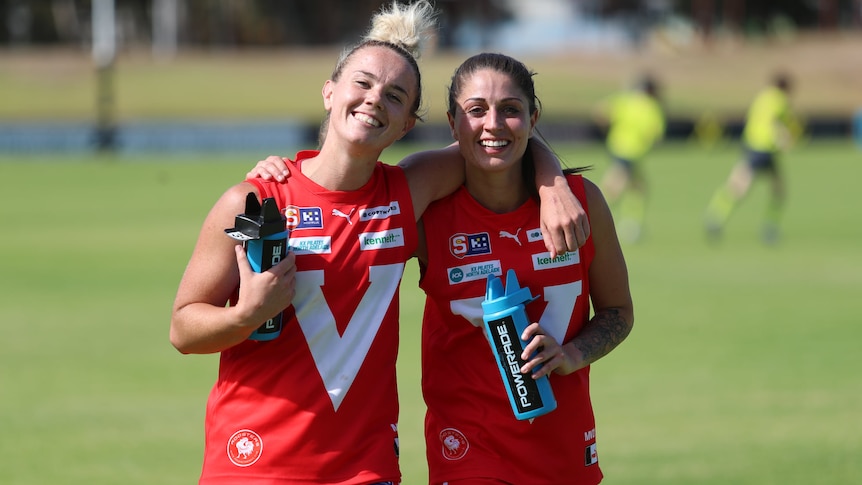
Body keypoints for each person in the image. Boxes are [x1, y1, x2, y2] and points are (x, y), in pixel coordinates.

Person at [172, 2, 588, 484]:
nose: (374, 100)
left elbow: (494, 136)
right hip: (253, 461)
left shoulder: (409, 190)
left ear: (408, 124)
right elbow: (183, 329)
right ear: (330, 91)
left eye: (395, 96)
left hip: (365, 468)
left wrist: (552, 181)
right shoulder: (255, 199)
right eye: (363, 83)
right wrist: (245, 315)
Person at [416, 52, 633, 485]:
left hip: (563, 449)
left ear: (533, 118)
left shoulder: (580, 203)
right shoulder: (428, 217)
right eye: (476, 110)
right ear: (452, 122)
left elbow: (618, 312)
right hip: (468, 450)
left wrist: (572, 354)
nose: (493, 123)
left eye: (510, 110)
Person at [704, 72, 801, 244]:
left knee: (752, 185)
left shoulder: (761, 97)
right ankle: (768, 227)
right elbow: (774, 121)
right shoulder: (780, 100)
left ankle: (716, 216)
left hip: (751, 144)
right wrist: (782, 137)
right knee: (765, 189)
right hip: (764, 148)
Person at [593, 74, 665, 243]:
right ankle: (592, 219)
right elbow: (656, 135)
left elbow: (600, 111)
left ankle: (631, 224)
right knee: (614, 189)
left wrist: (606, 129)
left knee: (637, 188)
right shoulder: (652, 107)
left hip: (617, 147)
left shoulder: (626, 100)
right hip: (632, 152)